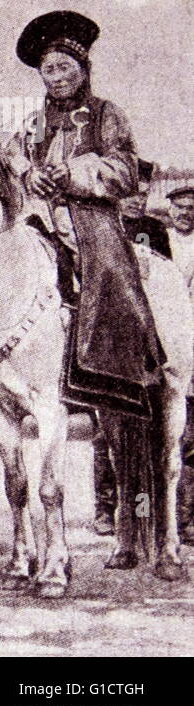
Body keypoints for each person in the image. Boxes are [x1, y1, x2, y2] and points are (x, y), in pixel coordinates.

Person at [10, 11, 161, 419]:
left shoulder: (106, 114)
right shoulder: (34, 124)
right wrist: (31, 176)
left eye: (64, 67)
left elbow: (126, 169)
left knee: (112, 270)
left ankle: (122, 374)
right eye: (48, 70)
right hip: (41, 218)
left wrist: (75, 172)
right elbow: (11, 161)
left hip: (90, 220)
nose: (55, 77)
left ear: (82, 69)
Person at [167, 186, 194, 543]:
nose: (186, 214)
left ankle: (186, 521)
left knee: (190, 442)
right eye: (181, 208)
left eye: (191, 209)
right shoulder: (158, 239)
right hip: (166, 337)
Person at [119, 160, 170, 259]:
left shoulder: (155, 228)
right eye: (131, 194)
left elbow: (167, 270)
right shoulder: (102, 226)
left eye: (143, 195)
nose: (139, 202)